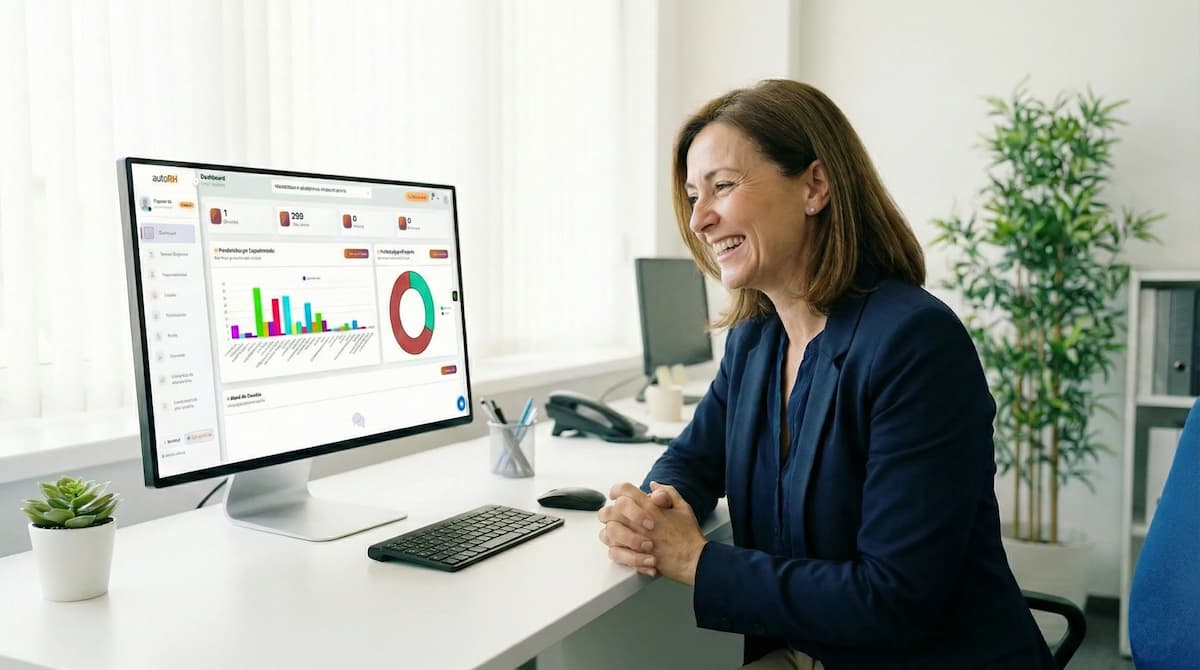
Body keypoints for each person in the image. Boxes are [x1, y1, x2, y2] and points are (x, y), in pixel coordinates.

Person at [597, 79, 1056, 669]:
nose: (701, 218)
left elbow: (893, 599)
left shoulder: (915, 342)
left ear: (815, 186)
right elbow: (692, 458)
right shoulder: (755, 342)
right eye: (692, 196)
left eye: (723, 186)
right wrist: (650, 508)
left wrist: (694, 559)